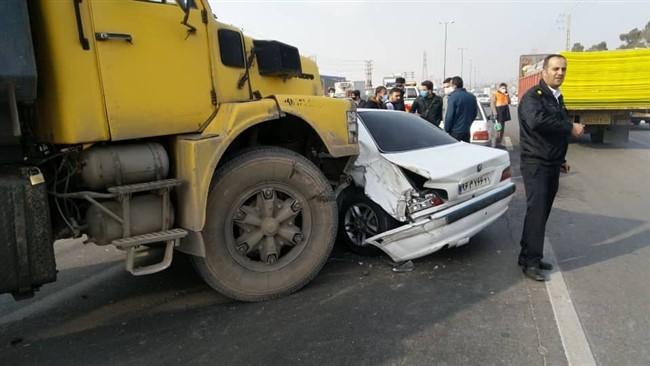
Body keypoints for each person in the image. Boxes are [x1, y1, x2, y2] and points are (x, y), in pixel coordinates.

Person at [518, 54, 585, 281]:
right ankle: (531, 263)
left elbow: (552, 135)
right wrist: (570, 127)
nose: (560, 73)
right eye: (555, 69)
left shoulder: (556, 97)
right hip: (536, 163)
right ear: (544, 71)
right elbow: (538, 122)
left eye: (563, 69)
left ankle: (527, 255)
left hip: (551, 162)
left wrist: (561, 159)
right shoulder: (533, 97)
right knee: (536, 212)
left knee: (541, 212)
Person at [444, 76, 477, 142]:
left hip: (455, 132)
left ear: (455, 86)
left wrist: (446, 129)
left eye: (450, 85)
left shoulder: (453, 97)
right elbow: (474, 113)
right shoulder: (472, 97)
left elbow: (449, 116)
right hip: (466, 131)